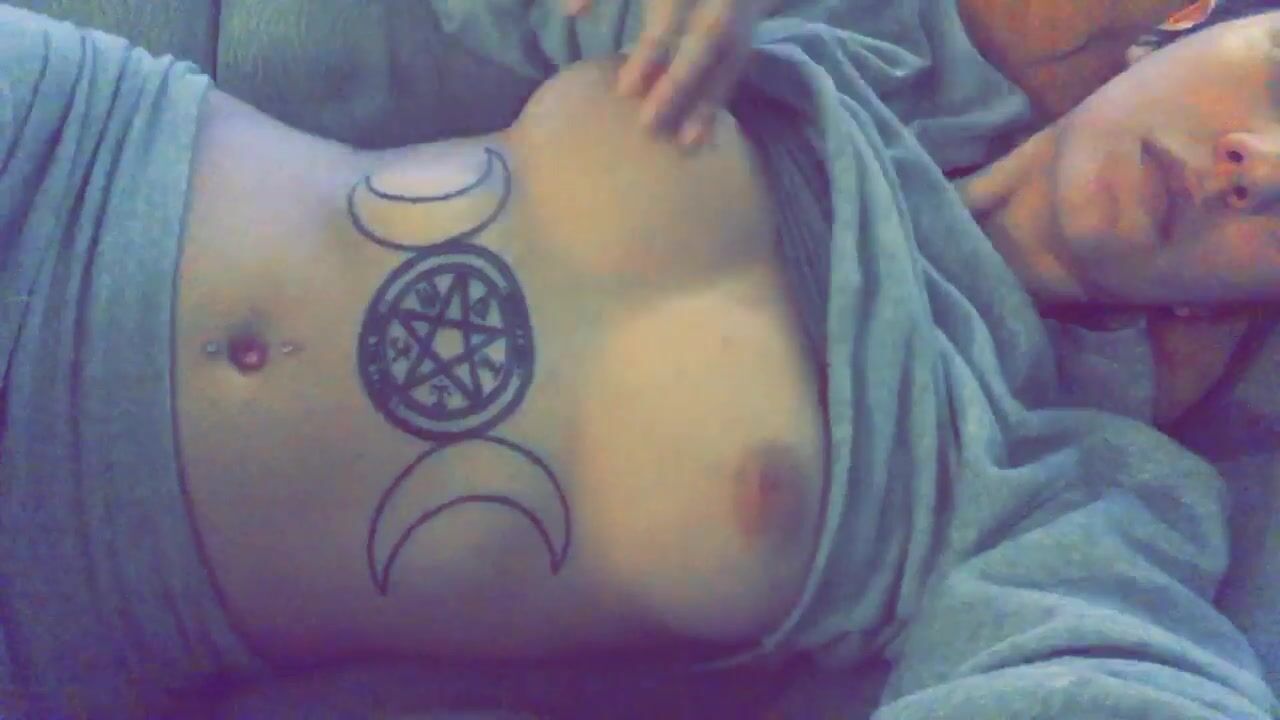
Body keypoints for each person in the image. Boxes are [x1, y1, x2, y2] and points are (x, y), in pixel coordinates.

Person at [0, 1, 1276, 718]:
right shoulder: (863, 37)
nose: (1255, 165)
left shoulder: (1061, 496)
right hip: (63, 150)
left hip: (83, 583)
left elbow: (1106, 687)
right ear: (1180, 31)